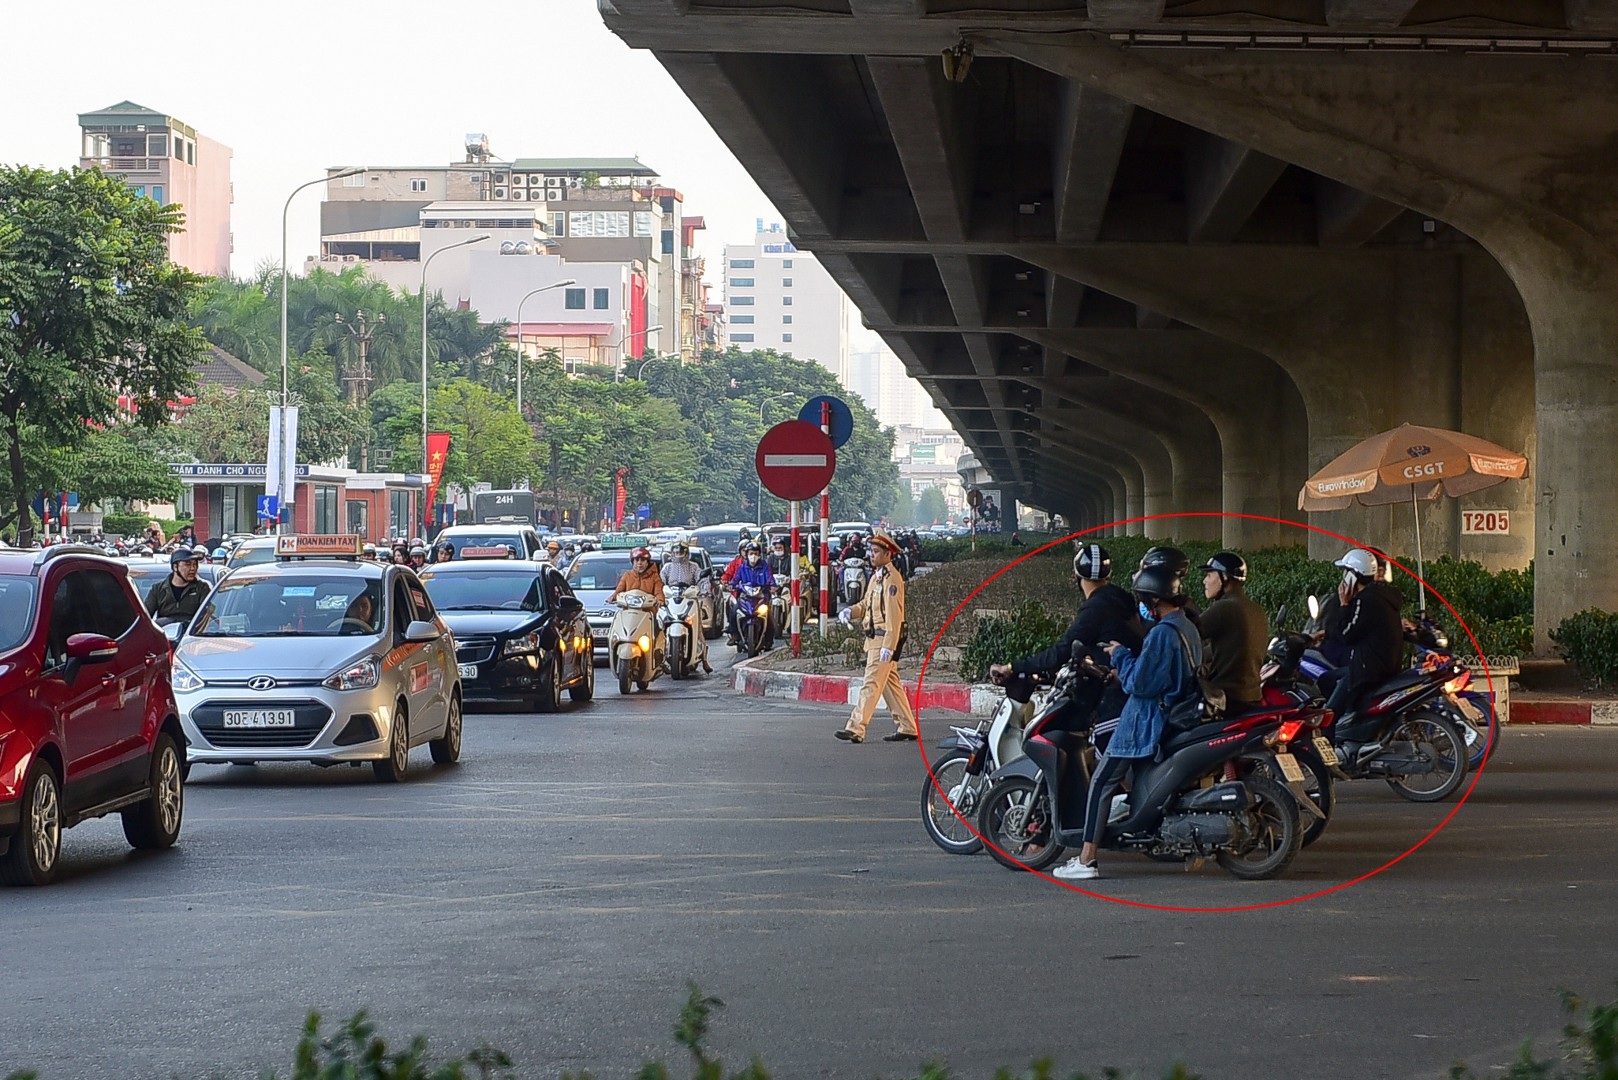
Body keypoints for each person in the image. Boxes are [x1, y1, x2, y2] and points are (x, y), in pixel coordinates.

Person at [1056, 564, 1201, 881]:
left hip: (1144, 719)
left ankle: (1087, 858)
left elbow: (1140, 683)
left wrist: (1120, 654)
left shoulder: (1162, 635)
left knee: (1101, 781)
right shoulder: (1186, 626)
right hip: (1171, 713)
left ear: (1152, 600)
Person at [988, 543, 1143, 725]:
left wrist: (1012, 667)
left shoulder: (1094, 609)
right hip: (1131, 685)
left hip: (1114, 695)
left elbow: (1061, 651)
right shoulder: (1121, 598)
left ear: (1076, 575)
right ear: (1108, 574)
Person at [834, 530, 918, 744]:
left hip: (883, 640)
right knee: (891, 685)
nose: (871, 555)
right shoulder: (876, 577)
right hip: (874, 639)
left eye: (876, 551)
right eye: (871, 551)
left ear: (888, 554)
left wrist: (889, 645)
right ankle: (907, 726)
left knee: (871, 684)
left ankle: (856, 727)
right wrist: (850, 611)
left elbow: (894, 616)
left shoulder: (892, 580)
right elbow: (866, 605)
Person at [1322, 548, 1406, 753]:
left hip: (1369, 669)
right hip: (1385, 665)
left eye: (1345, 573)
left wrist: (1344, 604)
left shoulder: (1365, 600)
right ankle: (1352, 722)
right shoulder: (1383, 597)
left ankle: (1328, 758)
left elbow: (1346, 634)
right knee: (1326, 679)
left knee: (1327, 716)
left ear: (1353, 575)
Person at [1198, 551, 1268, 711]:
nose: (1204, 581)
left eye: (1209, 575)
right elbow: (1230, 647)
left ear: (1224, 577)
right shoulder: (1255, 609)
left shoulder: (1226, 607)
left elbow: (1184, 636)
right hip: (1252, 696)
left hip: (1225, 700)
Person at [727, 541, 775, 649]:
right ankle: (735, 635)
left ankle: (768, 640)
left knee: (770, 617)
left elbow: (770, 579)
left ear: (759, 555)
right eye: (751, 553)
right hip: (745, 597)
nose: (753, 556)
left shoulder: (765, 567)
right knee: (735, 611)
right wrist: (731, 585)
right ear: (747, 554)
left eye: (756, 553)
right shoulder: (742, 567)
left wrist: (772, 586)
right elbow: (735, 579)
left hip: (762, 597)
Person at [144, 547, 209, 626]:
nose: (193, 568)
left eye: (195, 564)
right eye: (187, 564)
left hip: (191, 635)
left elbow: (206, 617)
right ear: (175, 567)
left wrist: (184, 625)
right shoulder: (158, 589)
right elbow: (144, 617)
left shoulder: (202, 588)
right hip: (164, 635)